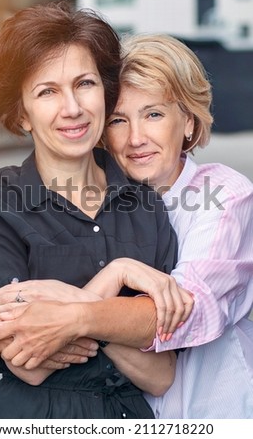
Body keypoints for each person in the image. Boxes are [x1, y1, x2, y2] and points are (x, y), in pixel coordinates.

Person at [0, 3, 193, 419]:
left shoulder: (147, 201)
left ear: (105, 90)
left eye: (84, 83)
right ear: (22, 114)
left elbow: (160, 374)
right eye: (47, 91)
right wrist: (118, 280)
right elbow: (26, 362)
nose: (73, 108)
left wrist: (68, 311)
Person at [100, 33, 253, 418]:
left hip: (215, 412)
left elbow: (180, 312)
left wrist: (71, 313)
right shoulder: (98, 200)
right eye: (119, 119)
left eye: (153, 114)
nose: (136, 138)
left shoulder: (226, 195)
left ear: (187, 120)